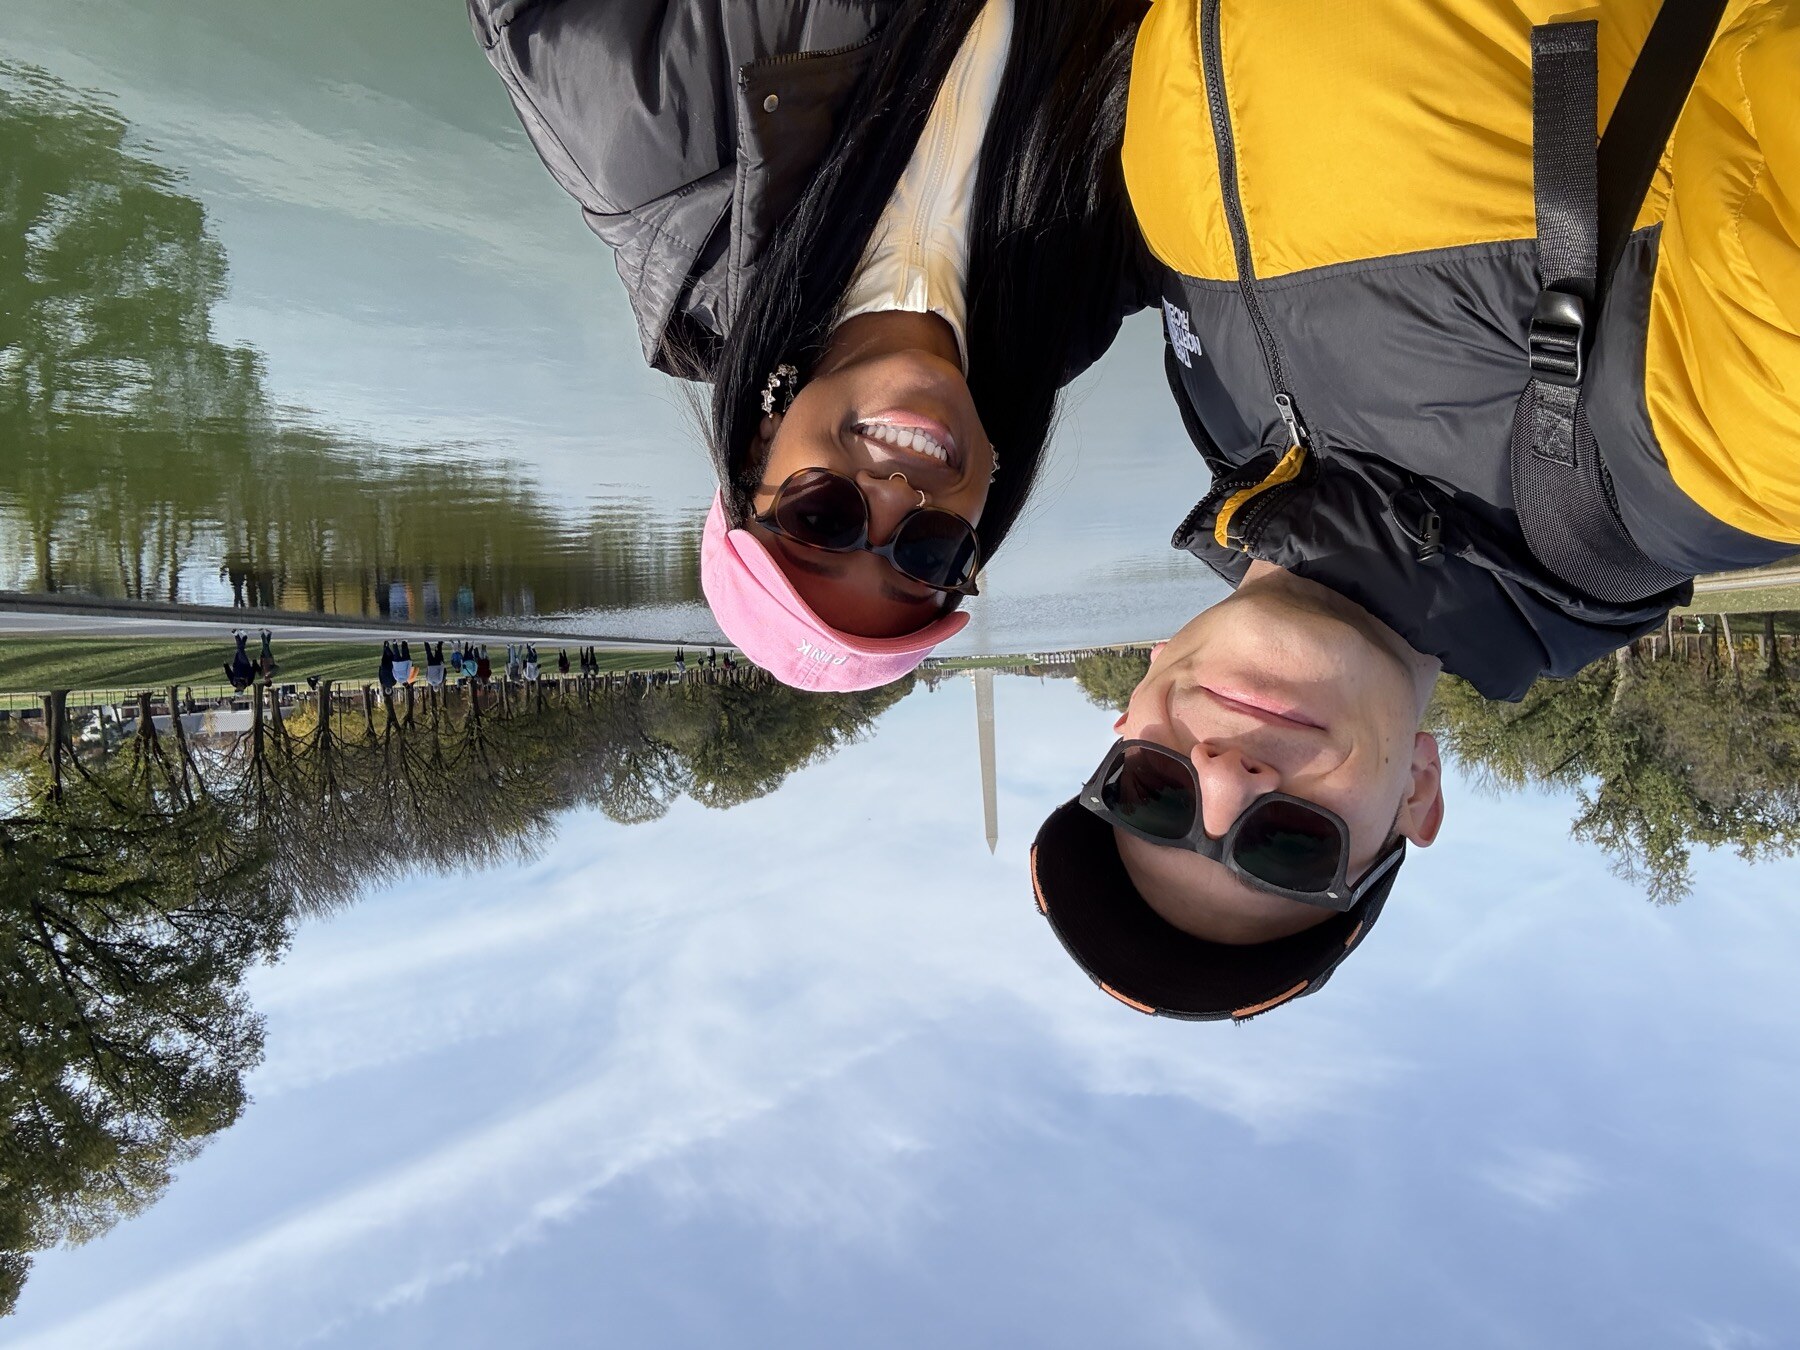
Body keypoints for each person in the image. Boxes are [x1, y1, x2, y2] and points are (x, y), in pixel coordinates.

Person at [1032, 0, 1800, 1021]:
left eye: (1151, 798)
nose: (1221, 778)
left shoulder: (1227, 425)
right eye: (1288, 846)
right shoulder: (1709, 461)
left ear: (1126, 720)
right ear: (1417, 798)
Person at [471, 0, 1152, 691]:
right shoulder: (1081, 300)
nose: (894, 498)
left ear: (757, 450)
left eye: (822, 518)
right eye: (927, 556)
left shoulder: (640, 153)